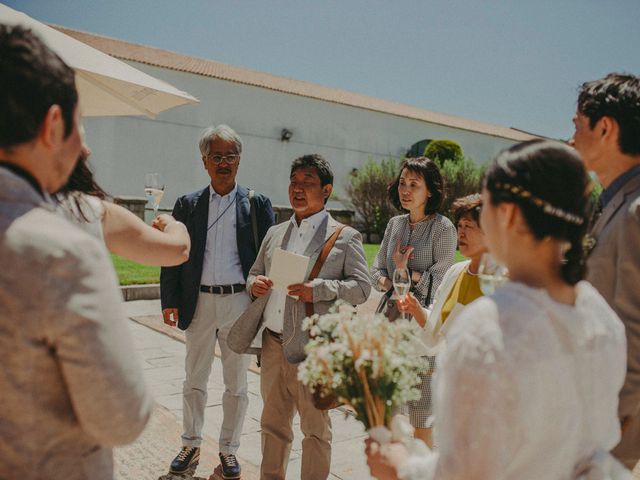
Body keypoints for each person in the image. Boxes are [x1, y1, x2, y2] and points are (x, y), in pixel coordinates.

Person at [366, 140, 629, 479]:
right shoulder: (599, 314)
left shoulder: (487, 329)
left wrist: (399, 464)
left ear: (507, 215)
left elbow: (465, 471)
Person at [0, 25, 152, 480]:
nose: (84, 145)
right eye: (79, 123)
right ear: (52, 125)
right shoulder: (61, 253)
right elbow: (123, 418)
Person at [228, 154, 371, 480]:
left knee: (315, 430)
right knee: (272, 425)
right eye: (294, 181)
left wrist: (317, 289)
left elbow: (362, 288)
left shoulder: (345, 237)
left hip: (314, 350)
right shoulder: (275, 232)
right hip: (273, 345)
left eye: (308, 182)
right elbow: (253, 274)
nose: (298, 188)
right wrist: (256, 284)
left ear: (326, 190)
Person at [160, 125, 275, 478]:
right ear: (204, 162)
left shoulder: (256, 204)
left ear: (239, 160)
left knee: (235, 383)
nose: (223, 163)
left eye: (230, 156)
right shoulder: (188, 204)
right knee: (193, 378)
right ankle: (191, 444)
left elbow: (269, 257)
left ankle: (229, 450)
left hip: (239, 303)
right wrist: (170, 299)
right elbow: (173, 254)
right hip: (198, 302)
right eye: (216, 157)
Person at [569, 73, 640, 469]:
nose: (572, 137)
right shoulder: (614, 201)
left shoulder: (635, 210)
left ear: (606, 127)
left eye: (577, 125)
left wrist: (605, 432)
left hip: (609, 431)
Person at [371, 156, 456, 446]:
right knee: (385, 409)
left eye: (414, 185)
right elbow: (375, 270)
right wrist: (391, 279)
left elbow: (443, 278)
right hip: (389, 326)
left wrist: (406, 273)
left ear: (430, 190)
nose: (405, 190)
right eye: (403, 183)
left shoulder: (443, 228)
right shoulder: (395, 224)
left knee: (422, 416)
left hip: (422, 329)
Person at [398, 194, 486, 446]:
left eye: (470, 226)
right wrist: (416, 310)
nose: (462, 232)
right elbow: (435, 328)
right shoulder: (456, 271)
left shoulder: (502, 279)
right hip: (450, 385)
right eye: (460, 226)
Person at [56, 141, 190, 266]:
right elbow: (179, 250)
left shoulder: (40, 206)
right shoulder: (90, 212)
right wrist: (172, 224)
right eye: (80, 136)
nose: (87, 151)